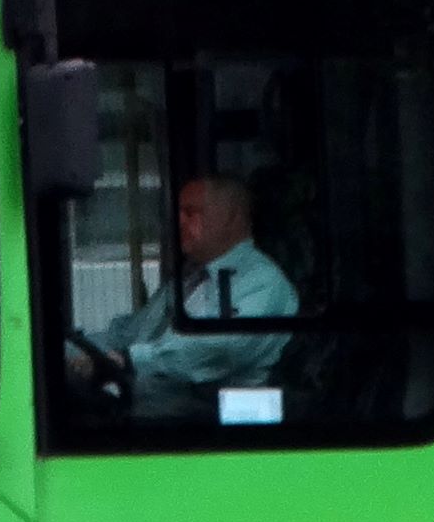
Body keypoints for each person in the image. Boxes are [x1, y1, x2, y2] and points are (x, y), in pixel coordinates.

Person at [72, 176, 298, 416]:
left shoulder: (263, 281)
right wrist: (76, 350)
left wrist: (128, 360)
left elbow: (222, 347)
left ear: (231, 217)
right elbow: (131, 332)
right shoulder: (189, 276)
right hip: (147, 404)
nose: (179, 222)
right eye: (179, 212)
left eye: (191, 213)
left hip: (207, 420)